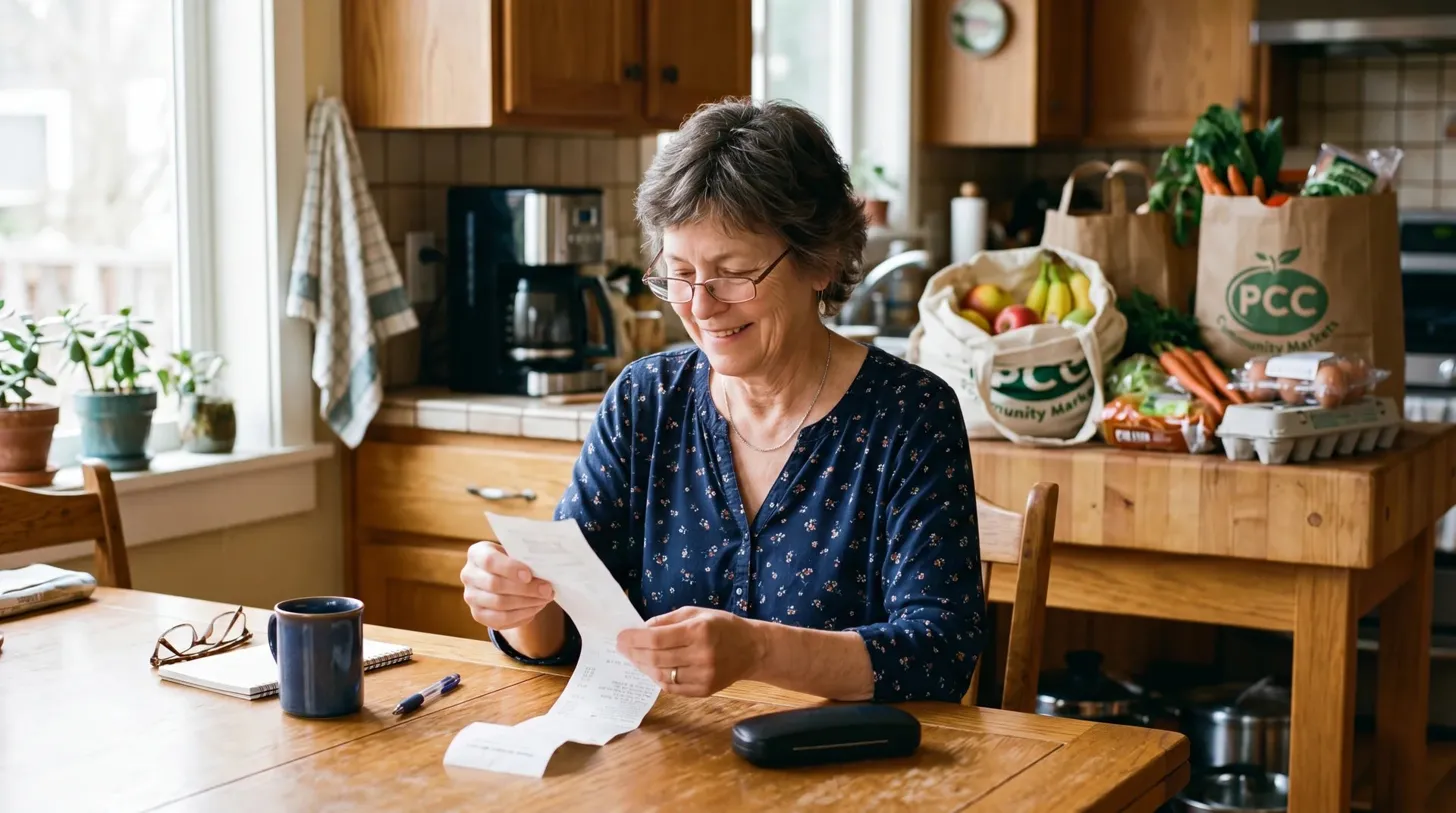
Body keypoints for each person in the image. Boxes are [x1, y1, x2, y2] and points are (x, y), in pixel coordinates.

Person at [460, 98, 985, 704]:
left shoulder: (909, 415)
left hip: (843, 776)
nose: (701, 307)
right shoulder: (645, 400)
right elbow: (574, 628)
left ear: (821, 260)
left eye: (733, 273)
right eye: (679, 274)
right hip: (663, 771)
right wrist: (519, 602)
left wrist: (758, 651)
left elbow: (939, 656)